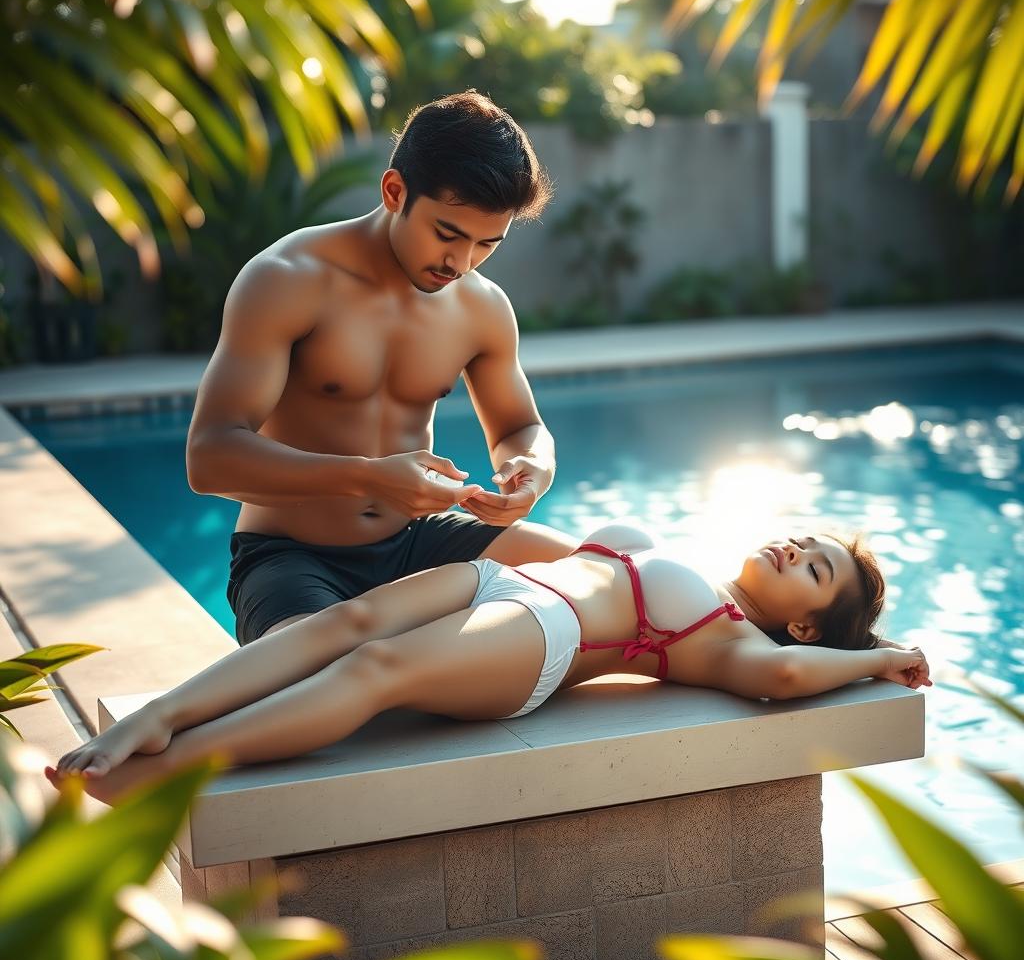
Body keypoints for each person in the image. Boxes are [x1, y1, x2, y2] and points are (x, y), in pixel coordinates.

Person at [48, 522, 931, 804]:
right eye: (806, 539)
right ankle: (161, 711)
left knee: (375, 671)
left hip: (541, 634)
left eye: (815, 569)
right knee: (342, 623)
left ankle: (173, 768)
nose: (795, 548)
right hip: (503, 581)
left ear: (810, 627)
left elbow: (784, 683)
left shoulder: (733, 640)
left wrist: (876, 660)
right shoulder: (700, 570)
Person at [186, 91, 576, 647]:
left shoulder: (482, 306)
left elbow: (520, 428)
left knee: (615, 575)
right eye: (447, 234)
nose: (460, 264)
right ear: (394, 191)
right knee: (317, 676)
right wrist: (370, 476)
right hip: (293, 557)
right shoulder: (287, 279)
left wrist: (531, 469)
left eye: (487, 244)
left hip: (420, 541)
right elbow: (210, 459)